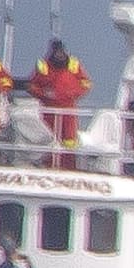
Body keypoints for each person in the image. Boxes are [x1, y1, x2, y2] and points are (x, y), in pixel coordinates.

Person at [29, 37, 91, 169]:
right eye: (57, 52)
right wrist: (44, 94)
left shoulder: (73, 64)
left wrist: (74, 93)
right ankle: (48, 165)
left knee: (69, 140)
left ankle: (68, 166)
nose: (60, 55)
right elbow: (32, 86)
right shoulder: (43, 66)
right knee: (49, 138)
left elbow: (86, 83)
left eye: (61, 51)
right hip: (49, 110)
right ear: (52, 52)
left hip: (69, 110)